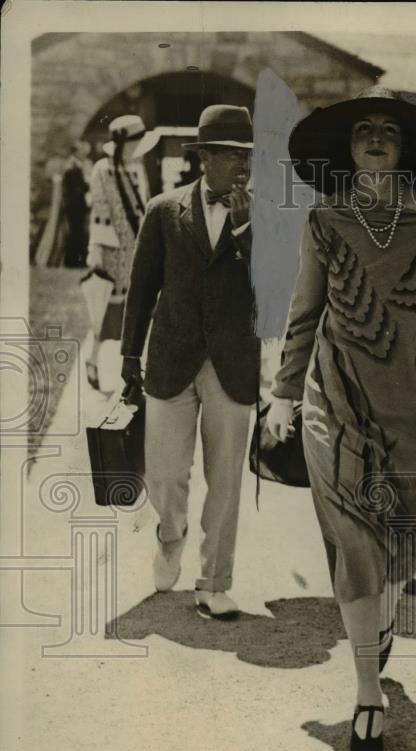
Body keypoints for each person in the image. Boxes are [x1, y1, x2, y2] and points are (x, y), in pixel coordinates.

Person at [267, 86, 416, 751]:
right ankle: (366, 692)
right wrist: (283, 396)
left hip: (414, 404)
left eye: (390, 130)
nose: (378, 139)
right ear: (349, 148)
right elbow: (304, 313)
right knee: (355, 541)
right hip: (337, 396)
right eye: (366, 131)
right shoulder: (325, 218)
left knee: (402, 540)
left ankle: (383, 613)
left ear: (404, 147)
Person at [120, 105, 258, 620]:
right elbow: (141, 288)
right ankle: (169, 535)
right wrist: (129, 353)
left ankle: (214, 580)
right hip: (171, 356)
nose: (242, 167)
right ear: (205, 158)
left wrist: (246, 232)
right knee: (164, 473)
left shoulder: (264, 214)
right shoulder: (162, 210)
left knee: (224, 478)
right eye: (230, 156)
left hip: (232, 362)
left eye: (248, 156)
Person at [81, 115, 158, 391]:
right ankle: (92, 360)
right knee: (106, 312)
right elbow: (100, 213)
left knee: (137, 311)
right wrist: (96, 253)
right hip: (112, 253)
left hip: (135, 250)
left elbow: (145, 206)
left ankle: (135, 366)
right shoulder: (103, 170)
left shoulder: (137, 169)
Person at [62, 140, 94, 268]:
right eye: (81, 151)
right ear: (75, 152)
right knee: (76, 232)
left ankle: (75, 260)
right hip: (75, 205)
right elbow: (76, 188)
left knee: (78, 232)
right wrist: (87, 186)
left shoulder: (76, 165)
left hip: (77, 204)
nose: (83, 154)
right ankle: (73, 261)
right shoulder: (71, 166)